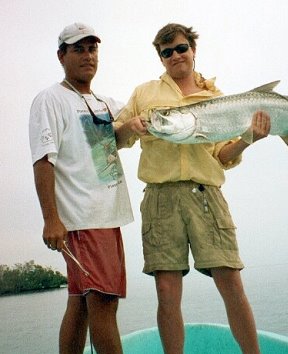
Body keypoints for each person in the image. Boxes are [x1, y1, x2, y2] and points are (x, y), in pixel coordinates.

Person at [115, 23, 270, 354]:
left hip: (206, 195)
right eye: (166, 52)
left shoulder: (216, 98)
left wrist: (249, 138)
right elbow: (114, 139)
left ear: (193, 50)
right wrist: (129, 125)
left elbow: (224, 155)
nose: (175, 56)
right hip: (160, 198)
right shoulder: (144, 94)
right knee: (167, 291)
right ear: (160, 58)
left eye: (181, 48)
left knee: (231, 282)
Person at [29, 23, 133, 354]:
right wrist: (51, 219)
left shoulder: (104, 102)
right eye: (78, 49)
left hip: (107, 216)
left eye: (92, 49)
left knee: (80, 302)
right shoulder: (50, 99)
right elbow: (44, 160)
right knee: (103, 302)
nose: (88, 56)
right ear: (61, 56)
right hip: (84, 219)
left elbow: (139, 115)